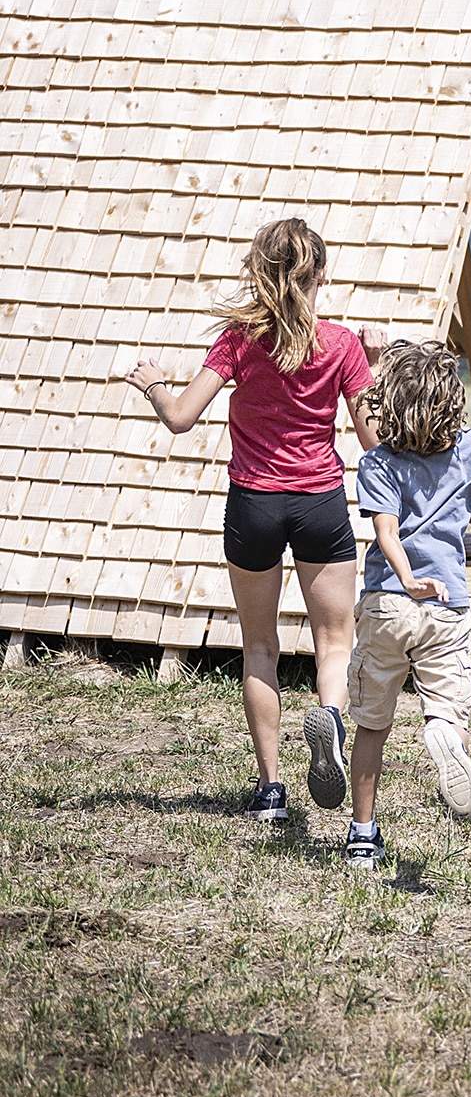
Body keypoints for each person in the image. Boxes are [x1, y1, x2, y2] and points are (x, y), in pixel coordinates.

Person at [126, 218, 383, 823]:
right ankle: (332, 720)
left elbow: (182, 417)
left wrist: (155, 387)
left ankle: (271, 791)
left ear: (259, 272)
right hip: (319, 502)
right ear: (322, 274)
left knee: (260, 648)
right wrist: (374, 365)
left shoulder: (239, 341)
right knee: (335, 642)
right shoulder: (342, 344)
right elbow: (373, 441)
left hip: (253, 505)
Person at [343, 340, 471, 870]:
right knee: (448, 705)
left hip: (387, 603)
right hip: (447, 603)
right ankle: (443, 733)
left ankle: (362, 834)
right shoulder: (469, 448)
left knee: (372, 725)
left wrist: (407, 579)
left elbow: (386, 534)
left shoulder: (376, 463)